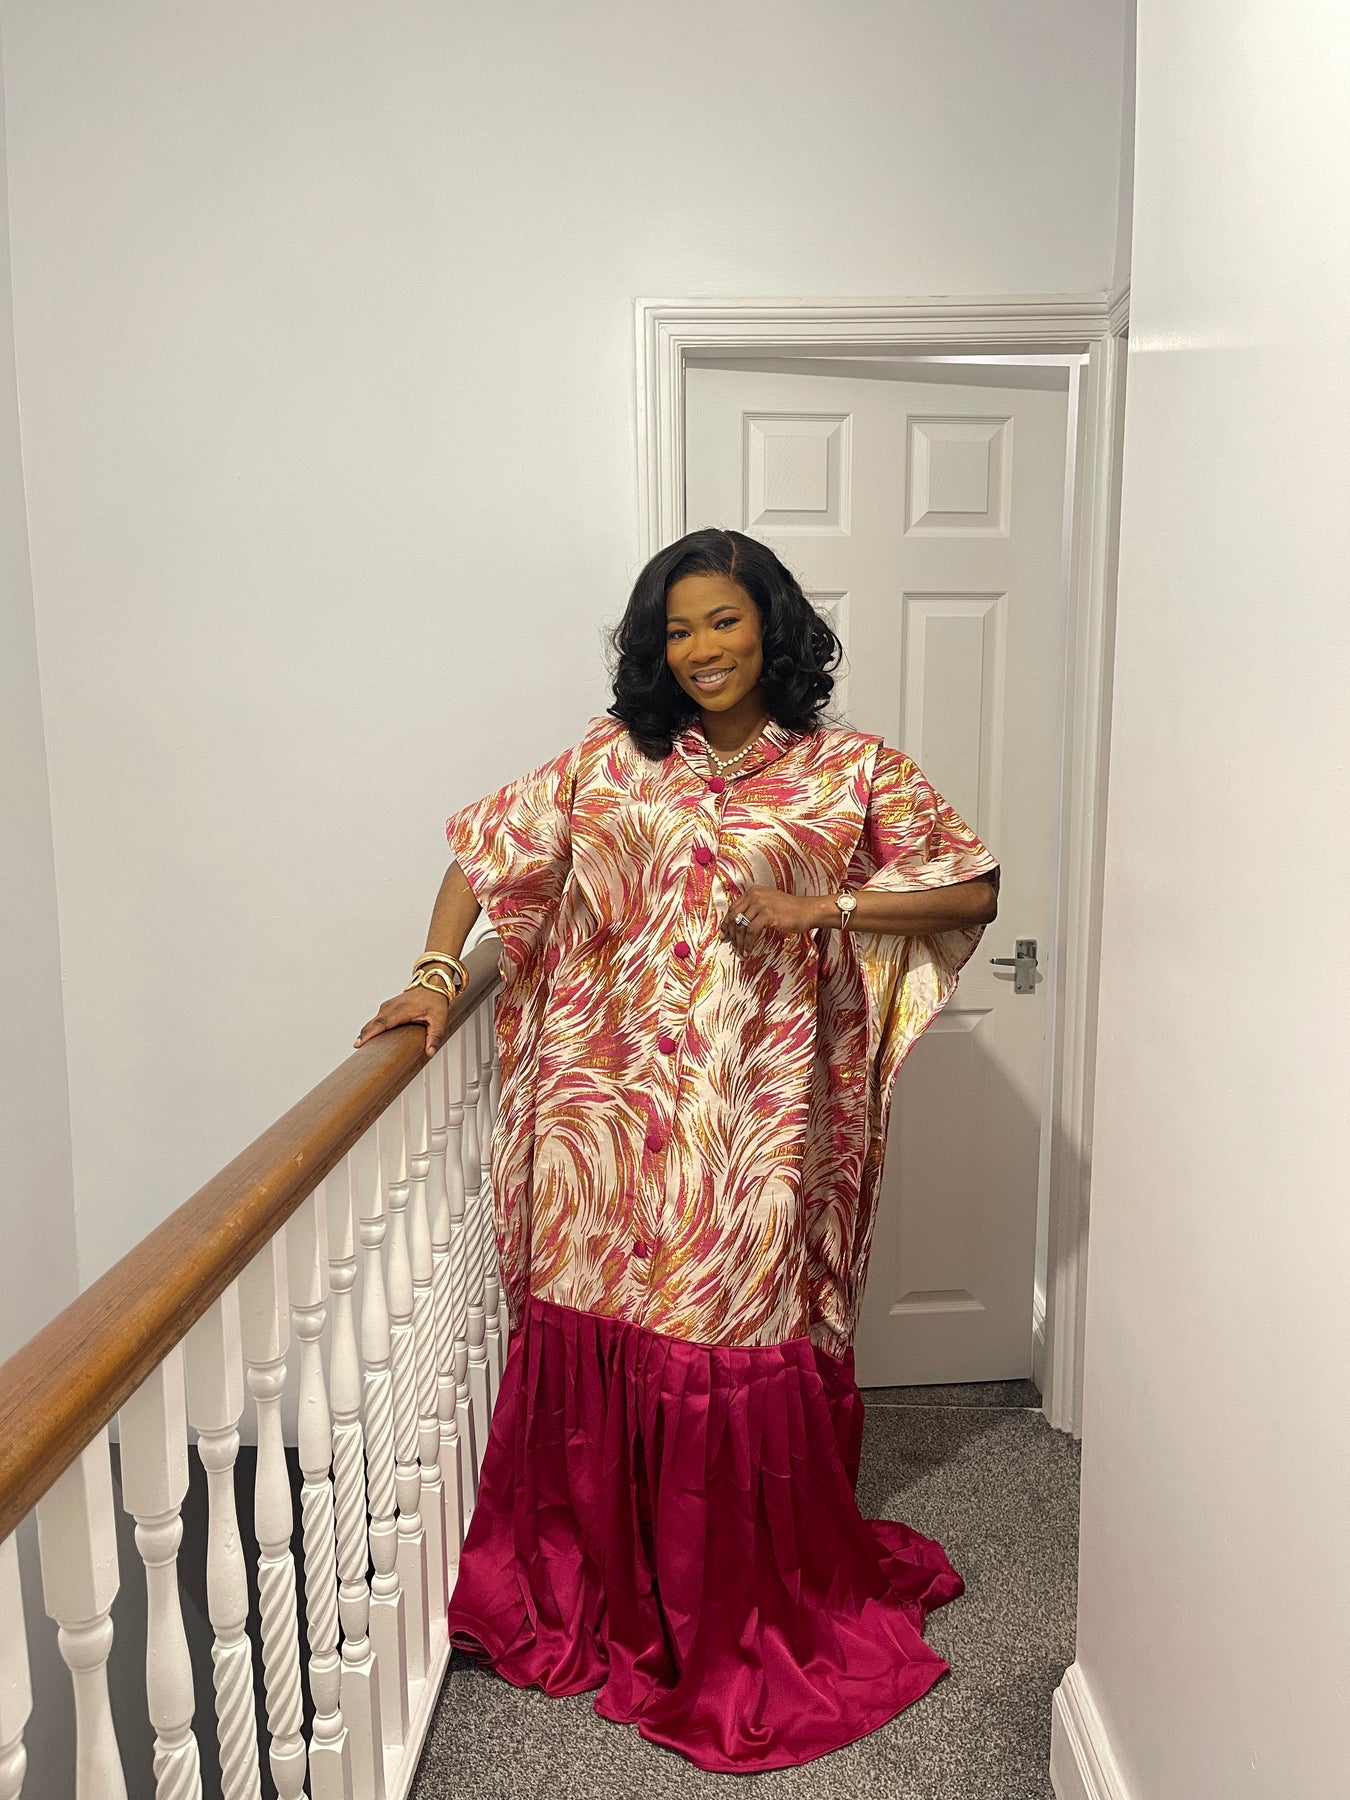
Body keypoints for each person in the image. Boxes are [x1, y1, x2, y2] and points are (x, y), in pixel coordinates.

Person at [354, 526, 1000, 1773]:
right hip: (597, 1117)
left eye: (724, 619)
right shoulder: (614, 760)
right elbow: (486, 852)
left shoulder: (849, 772)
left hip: (753, 1119)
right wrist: (435, 975)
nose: (702, 647)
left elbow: (970, 889)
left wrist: (824, 906)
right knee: (604, 1324)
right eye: (677, 628)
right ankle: (600, 1585)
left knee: (730, 1336)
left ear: (772, 626)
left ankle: (728, 1619)